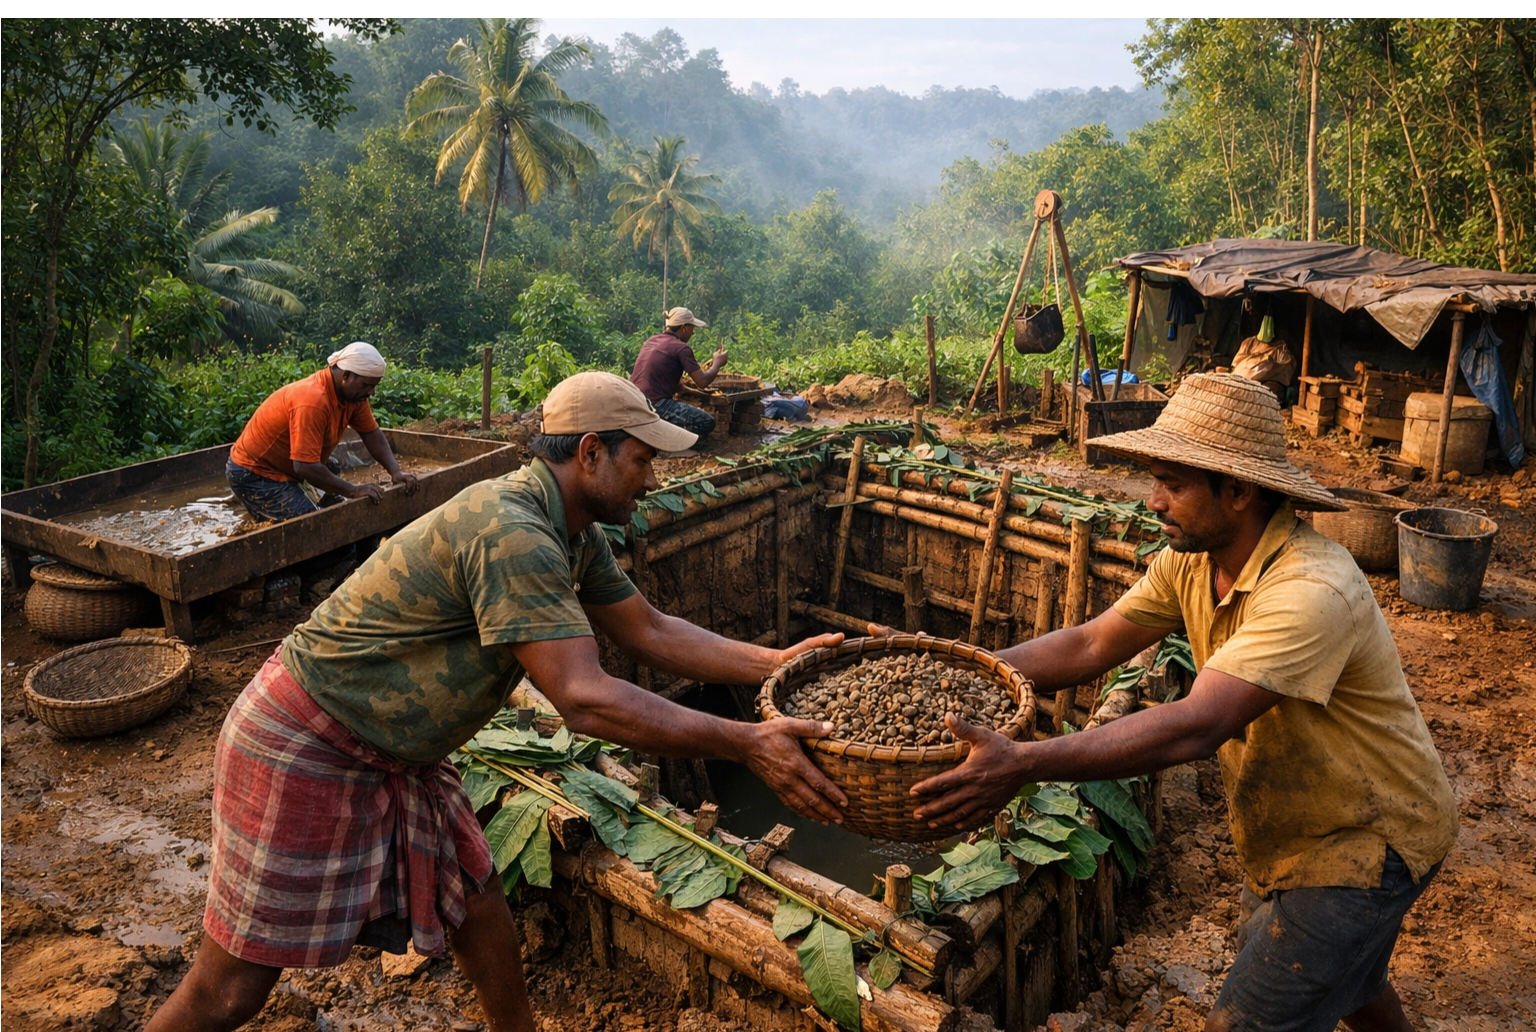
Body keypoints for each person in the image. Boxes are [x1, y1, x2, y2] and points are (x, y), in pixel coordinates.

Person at [146, 371, 847, 1032]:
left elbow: (650, 630)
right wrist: (746, 741)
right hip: (309, 740)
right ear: (593, 453)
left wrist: (775, 662)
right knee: (230, 992)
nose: (653, 479)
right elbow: (585, 700)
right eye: (642, 460)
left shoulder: (570, 530)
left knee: (477, 902)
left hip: (396, 750)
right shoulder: (511, 529)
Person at [906, 373, 1456, 1032]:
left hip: (1370, 840)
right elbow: (1090, 644)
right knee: (1350, 979)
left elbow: (1198, 723)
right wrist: (950, 668)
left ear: (1239, 490)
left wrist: (1022, 761)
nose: (1153, 499)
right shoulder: (1193, 560)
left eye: (1171, 482)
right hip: (1297, 827)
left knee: (1252, 1015)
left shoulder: (1312, 590)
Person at [225, 341, 417, 523]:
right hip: (254, 473)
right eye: (367, 385)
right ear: (346, 376)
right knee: (313, 526)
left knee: (331, 467)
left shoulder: (354, 397)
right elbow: (304, 466)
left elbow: (371, 433)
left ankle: (318, 503)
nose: (371, 392)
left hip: (288, 466)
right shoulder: (313, 401)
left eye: (374, 386)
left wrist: (396, 471)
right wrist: (352, 490)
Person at [630, 307, 728, 439]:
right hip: (655, 404)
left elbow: (670, 382)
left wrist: (697, 394)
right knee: (706, 422)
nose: (692, 333)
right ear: (684, 328)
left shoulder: (651, 341)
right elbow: (703, 381)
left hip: (634, 400)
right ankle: (677, 446)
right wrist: (717, 364)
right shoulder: (681, 348)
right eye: (692, 328)